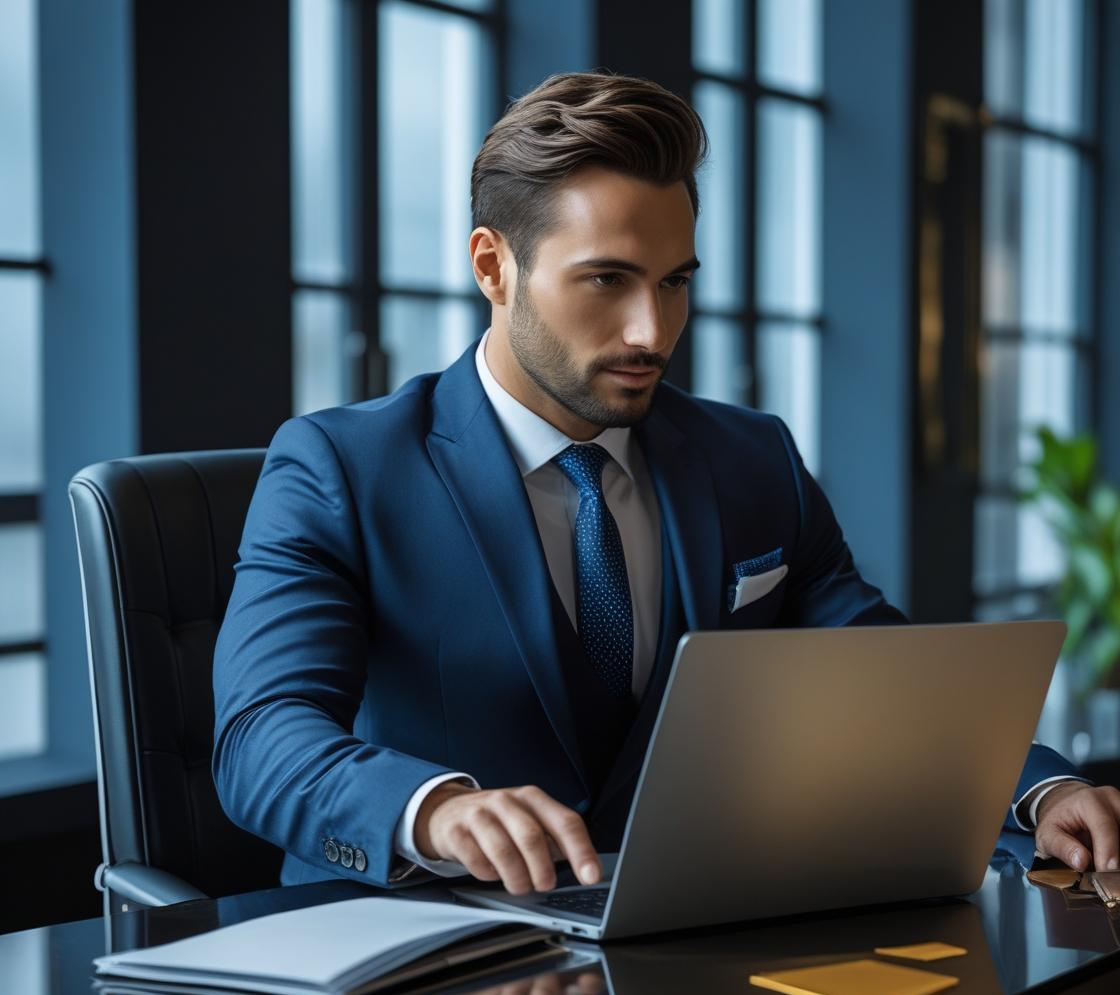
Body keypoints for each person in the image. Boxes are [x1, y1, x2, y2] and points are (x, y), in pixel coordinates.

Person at [212, 71, 1120, 896]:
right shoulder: (337, 467)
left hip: (697, 951)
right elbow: (261, 740)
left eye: (675, 282)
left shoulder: (752, 459)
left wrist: (1038, 786)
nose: (653, 330)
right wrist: (434, 810)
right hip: (431, 971)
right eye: (605, 280)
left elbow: (880, 677)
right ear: (494, 266)